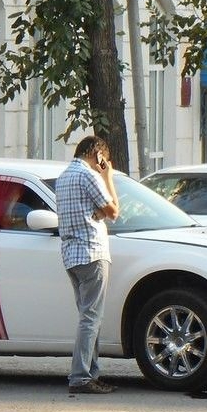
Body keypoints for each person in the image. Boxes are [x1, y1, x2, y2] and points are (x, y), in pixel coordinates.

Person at [55, 135, 119, 395]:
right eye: (102, 160)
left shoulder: (63, 177)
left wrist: (98, 211)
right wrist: (109, 177)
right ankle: (81, 376)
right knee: (91, 318)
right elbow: (114, 211)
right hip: (92, 251)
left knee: (88, 316)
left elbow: (94, 210)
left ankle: (91, 373)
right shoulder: (89, 176)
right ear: (98, 155)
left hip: (71, 254)